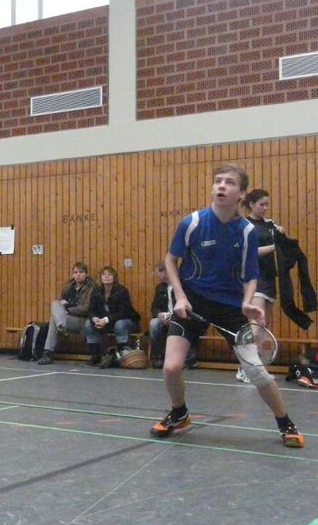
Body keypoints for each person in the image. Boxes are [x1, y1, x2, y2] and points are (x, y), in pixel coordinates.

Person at [151, 163, 304, 448]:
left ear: (241, 194)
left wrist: (247, 302)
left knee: (256, 370)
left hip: (230, 307)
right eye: (218, 181)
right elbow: (171, 260)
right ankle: (179, 413)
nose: (222, 185)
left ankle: (286, 422)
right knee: (171, 367)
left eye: (230, 182)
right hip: (193, 301)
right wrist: (180, 296)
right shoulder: (192, 223)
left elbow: (250, 274)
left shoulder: (246, 231)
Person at [236, 189, 284, 383]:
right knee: (255, 326)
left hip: (270, 278)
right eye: (261, 204)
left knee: (264, 325)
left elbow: (281, 244)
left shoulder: (271, 224)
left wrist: (281, 235)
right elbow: (249, 252)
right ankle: (245, 369)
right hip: (253, 278)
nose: (265, 208)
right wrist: (274, 246)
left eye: (267, 204)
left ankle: (257, 367)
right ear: (251, 205)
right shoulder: (244, 225)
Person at [38, 262, 96, 365]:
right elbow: (59, 304)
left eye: (81, 272)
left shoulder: (92, 287)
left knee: (54, 319)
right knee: (55, 304)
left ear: (86, 274)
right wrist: (62, 305)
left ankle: (48, 352)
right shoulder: (68, 286)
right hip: (67, 319)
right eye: (75, 272)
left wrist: (68, 309)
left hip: (83, 320)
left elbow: (87, 308)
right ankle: (61, 328)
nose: (78, 275)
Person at [84, 266, 140, 365]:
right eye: (104, 275)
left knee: (119, 324)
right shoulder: (96, 291)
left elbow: (124, 312)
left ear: (114, 277)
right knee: (88, 324)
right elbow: (91, 309)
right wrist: (94, 319)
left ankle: (122, 355)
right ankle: (95, 355)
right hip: (106, 322)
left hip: (127, 321)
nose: (106, 277)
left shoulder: (122, 291)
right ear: (100, 277)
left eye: (109, 275)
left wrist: (105, 320)